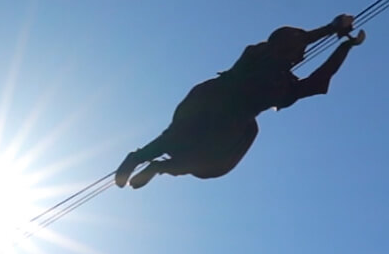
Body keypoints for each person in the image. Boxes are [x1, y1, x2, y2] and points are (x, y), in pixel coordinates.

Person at [114, 13, 366, 189]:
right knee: (182, 134)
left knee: (209, 160)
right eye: (298, 50)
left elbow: (317, 80)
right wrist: (331, 29)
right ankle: (138, 157)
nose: (302, 55)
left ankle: (159, 167)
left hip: (235, 121)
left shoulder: (284, 85)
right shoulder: (258, 55)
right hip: (214, 99)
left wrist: (345, 48)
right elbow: (290, 43)